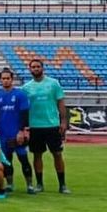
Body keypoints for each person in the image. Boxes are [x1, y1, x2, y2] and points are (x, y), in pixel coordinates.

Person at [22, 59, 70, 194]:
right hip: (35, 126)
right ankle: (39, 184)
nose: (36, 69)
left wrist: (63, 121)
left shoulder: (53, 84)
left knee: (57, 154)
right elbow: (24, 109)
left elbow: (60, 103)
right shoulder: (26, 88)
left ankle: (62, 185)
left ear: (43, 68)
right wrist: (25, 127)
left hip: (52, 125)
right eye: (33, 67)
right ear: (30, 69)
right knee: (37, 155)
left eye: (38, 66)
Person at [0, 68, 34, 194]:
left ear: (12, 79)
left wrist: (22, 131)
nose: (5, 81)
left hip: (17, 133)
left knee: (23, 159)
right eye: (3, 78)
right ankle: (10, 184)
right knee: (7, 161)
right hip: (3, 135)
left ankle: (30, 185)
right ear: (0, 80)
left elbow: (24, 113)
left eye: (7, 78)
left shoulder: (20, 95)